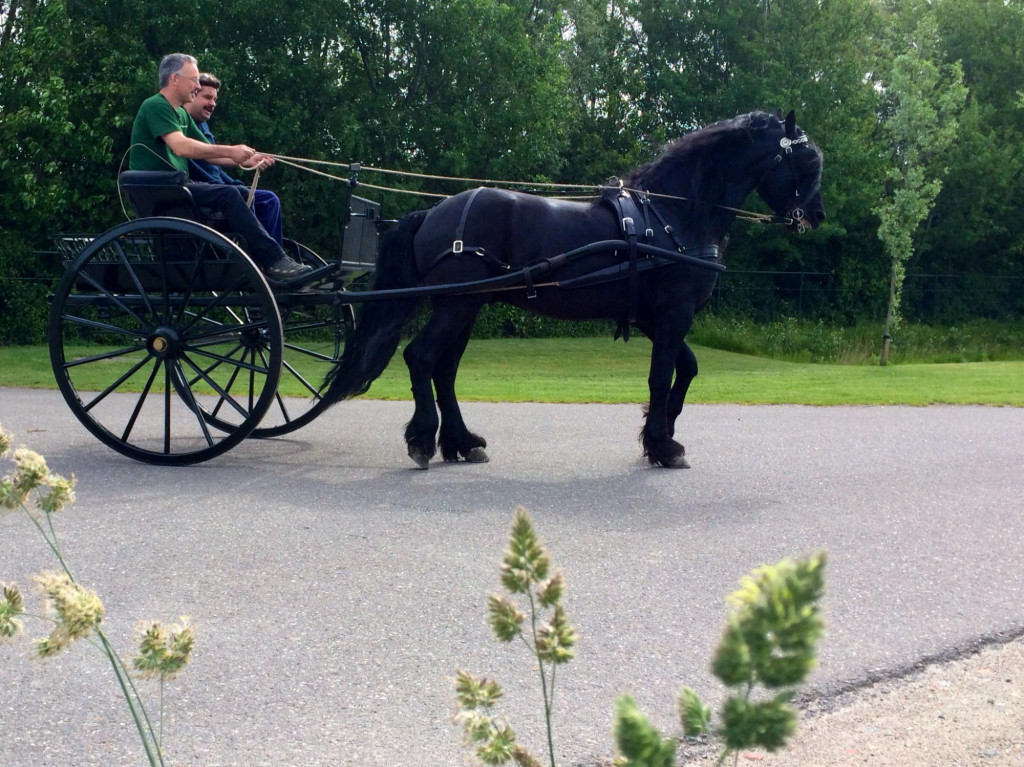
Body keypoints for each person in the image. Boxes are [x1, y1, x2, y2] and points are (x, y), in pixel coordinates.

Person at [129, 53, 311, 281]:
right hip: (160, 192)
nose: (197, 85)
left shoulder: (182, 114)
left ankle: (260, 264)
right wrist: (232, 151)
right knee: (229, 194)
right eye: (193, 80)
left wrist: (244, 160)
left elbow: (208, 153)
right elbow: (181, 147)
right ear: (174, 79)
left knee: (247, 195)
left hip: (177, 189)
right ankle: (272, 260)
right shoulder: (156, 105)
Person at [183, 72, 284, 246]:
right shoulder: (183, 127)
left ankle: (274, 256)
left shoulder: (203, 125)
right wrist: (235, 159)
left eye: (215, 99)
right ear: (192, 95)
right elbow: (205, 161)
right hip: (204, 194)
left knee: (268, 200)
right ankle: (261, 257)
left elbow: (215, 169)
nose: (212, 104)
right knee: (245, 195)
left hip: (219, 188)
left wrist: (247, 163)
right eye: (207, 97)